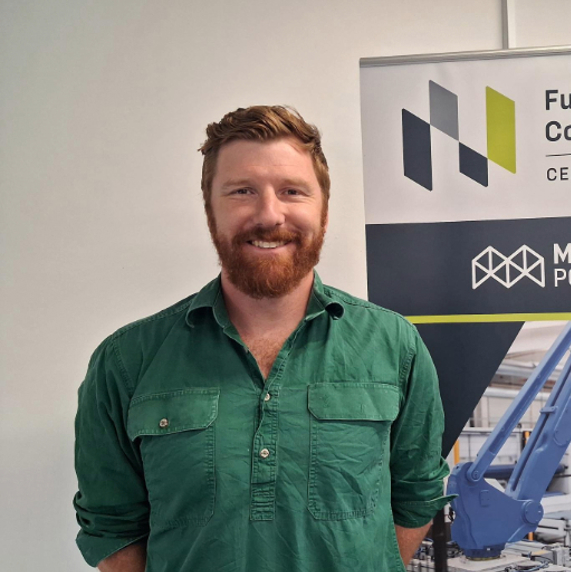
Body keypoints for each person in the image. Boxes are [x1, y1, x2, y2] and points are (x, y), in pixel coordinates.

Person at [73, 105, 451, 572]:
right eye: (242, 191)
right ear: (211, 211)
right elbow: (111, 525)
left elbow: (416, 496)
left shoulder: (395, 346)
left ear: (324, 211)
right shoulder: (127, 360)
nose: (269, 214)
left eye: (292, 191)